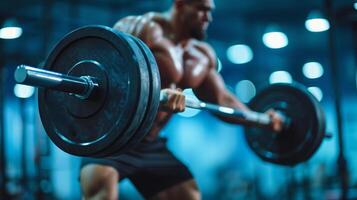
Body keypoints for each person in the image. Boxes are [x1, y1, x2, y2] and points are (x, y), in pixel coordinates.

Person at [80, 0, 283, 199]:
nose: (208, 17)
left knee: (188, 195)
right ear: (180, 4)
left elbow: (223, 99)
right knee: (102, 191)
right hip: (116, 136)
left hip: (151, 142)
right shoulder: (142, 29)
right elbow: (110, 75)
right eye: (202, 10)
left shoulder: (201, 55)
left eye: (210, 11)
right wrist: (156, 93)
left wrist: (258, 119)